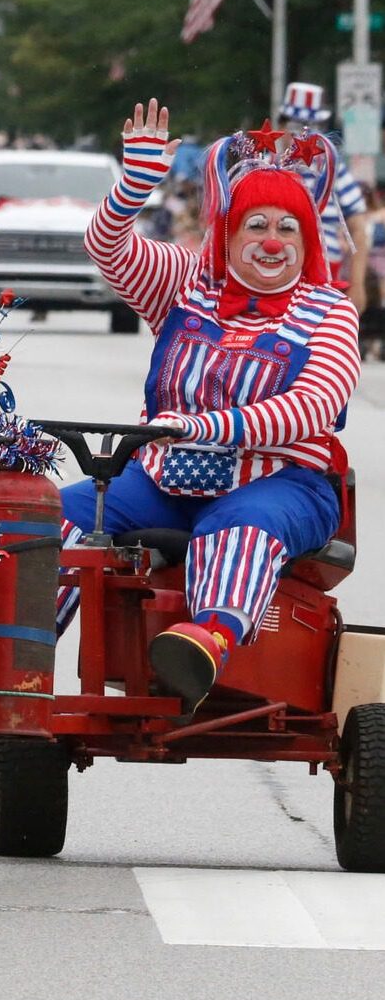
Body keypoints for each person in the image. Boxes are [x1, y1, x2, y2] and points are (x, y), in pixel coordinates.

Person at [56, 99, 360, 712]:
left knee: (236, 527)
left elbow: (311, 407)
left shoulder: (330, 313)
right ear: (229, 230)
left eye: (286, 228)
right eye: (256, 225)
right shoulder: (188, 284)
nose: (271, 242)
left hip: (284, 480)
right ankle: (13, 641)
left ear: (306, 240)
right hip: (166, 475)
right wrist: (136, 182)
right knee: (60, 512)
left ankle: (207, 641)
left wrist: (200, 426)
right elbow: (106, 248)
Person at [278, 81, 370, 312]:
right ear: (281, 125)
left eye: (309, 126)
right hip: (273, 267)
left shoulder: (332, 169)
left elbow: (359, 229)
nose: (301, 134)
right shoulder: (267, 167)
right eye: (295, 125)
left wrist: (357, 284)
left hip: (324, 271)